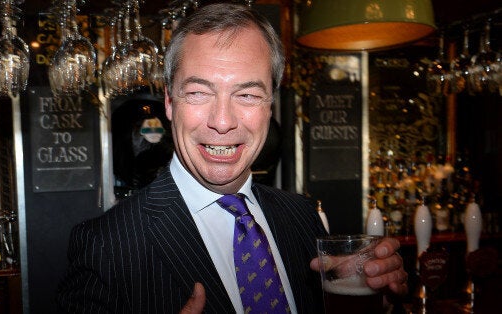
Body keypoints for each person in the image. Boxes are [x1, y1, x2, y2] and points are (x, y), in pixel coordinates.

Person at [57, 3, 408, 313]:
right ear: (168, 102)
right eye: (198, 92)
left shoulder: (301, 216)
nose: (222, 121)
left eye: (248, 95)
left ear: (270, 105)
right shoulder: (107, 244)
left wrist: (383, 297)